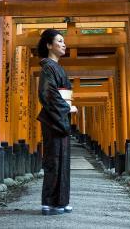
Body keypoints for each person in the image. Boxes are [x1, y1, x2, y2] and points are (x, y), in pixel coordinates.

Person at [37, 29, 77, 216]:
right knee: (54, 159)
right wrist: (66, 108)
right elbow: (48, 94)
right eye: (59, 41)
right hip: (54, 118)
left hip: (59, 116)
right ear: (49, 45)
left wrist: (67, 107)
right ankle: (49, 203)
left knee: (62, 159)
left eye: (64, 41)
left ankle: (60, 201)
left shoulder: (57, 67)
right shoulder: (47, 67)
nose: (63, 44)